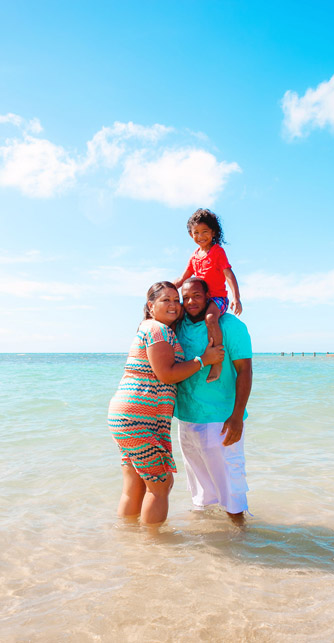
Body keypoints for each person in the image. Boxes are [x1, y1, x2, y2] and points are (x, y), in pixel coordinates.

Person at [107, 281, 224, 526]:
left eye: (175, 300)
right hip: (139, 418)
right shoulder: (157, 329)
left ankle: (128, 539)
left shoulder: (151, 327)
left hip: (129, 417)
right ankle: (153, 546)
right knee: (161, 484)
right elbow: (166, 374)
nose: (174, 305)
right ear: (151, 306)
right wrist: (204, 360)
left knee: (136, 484)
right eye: (165, 300)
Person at [174, 277, 253, 523]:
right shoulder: (179, 326)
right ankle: (208, 548)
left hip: (221, 420)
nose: (190, 302)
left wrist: (237, 416)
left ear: (209, 296)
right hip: (186, 420)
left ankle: (242, 543)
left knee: (231, 490)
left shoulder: (229, 325)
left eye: (196, 295)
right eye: (185, 297)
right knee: (200, 493)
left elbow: (245, 371)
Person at [175, 208, 242, 384]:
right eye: (196, 232)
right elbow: (183, 278)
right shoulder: (194, 256)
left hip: (217, 298)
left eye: (205, 231)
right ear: (191, 235)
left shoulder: (218, 252)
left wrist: (236, 298)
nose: (201, 236)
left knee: (211, 318)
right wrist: (163, 290)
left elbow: (228, 274)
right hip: (198, 299)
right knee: (177, 313)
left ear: (213, 232)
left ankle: (217, 361)